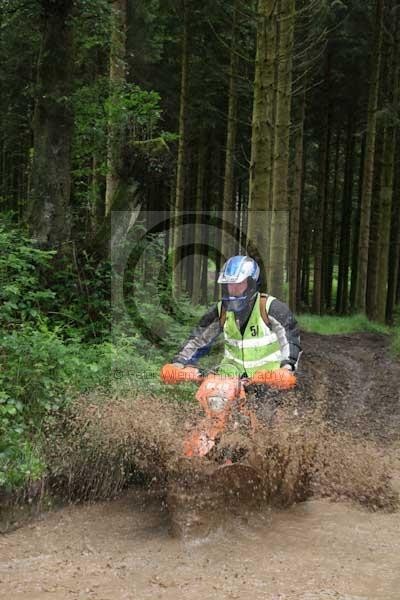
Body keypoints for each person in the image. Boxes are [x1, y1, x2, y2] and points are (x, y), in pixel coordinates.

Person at [170, 255, 302, 379]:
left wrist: (287, 366)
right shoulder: (221, 310)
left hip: (268, 379)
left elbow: (290, 337)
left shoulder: (271, 307)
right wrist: (179, 362)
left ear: (251, 283)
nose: (233, 288)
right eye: (230, 284)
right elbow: (199, 338)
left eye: (239, 283)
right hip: (229, 379)